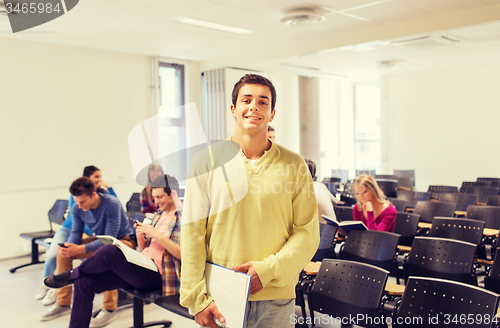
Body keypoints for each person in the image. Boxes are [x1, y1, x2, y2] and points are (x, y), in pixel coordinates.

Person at [180, 74, 319, 328]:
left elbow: (307, 233)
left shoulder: (294, 164)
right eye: (246, 100)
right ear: (233, 109)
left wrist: (267, 271)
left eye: (263, 102)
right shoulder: (205, 161)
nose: (254, 106)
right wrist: (195, 298)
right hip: (220, 296)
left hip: (276, 299)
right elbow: (192, 233)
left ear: (272, 113)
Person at [43, 174, 182, 328]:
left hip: (159, 276)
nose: (156, 202)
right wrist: (140, 236)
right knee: (84, 283)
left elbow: (185, 255)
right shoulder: (159, 215)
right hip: (143, 265)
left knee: (109, 250)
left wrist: (156, 235)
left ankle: (72, 275)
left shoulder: (184, 219)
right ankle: (75, 283)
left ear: (173, 194)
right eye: (154, 198)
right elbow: (145, 250)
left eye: (159, 197)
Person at [40, 176, 134, 327]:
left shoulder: (112, 204)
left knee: (107, 252)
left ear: (93, 195)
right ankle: (63, 303)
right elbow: (76, 232)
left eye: (82, 202)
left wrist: (81, 249)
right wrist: (70, 246)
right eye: (77, 202)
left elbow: (110, 238)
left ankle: (109, 309)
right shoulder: (78, 207)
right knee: (62, 253)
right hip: (99, 241)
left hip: (122, 242)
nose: (79, 206)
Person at [35, 165, 116, 306]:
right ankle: (52, 289)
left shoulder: (104, 199)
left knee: (103, 252)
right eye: (96, 176)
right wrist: (71, 245)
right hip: (68, 228)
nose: (99, 179)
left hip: (100, 235)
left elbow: (111, 209)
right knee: (57, 253)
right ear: (88, 178)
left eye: (100, 176)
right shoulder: (78, 199)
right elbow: (78, 222)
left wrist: (110, 187)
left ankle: (108, 307)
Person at [305, 159, 337, 224]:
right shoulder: (321, 185)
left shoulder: (301, 190)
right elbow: (336, 202)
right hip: (334, 232)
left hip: (320, 232)